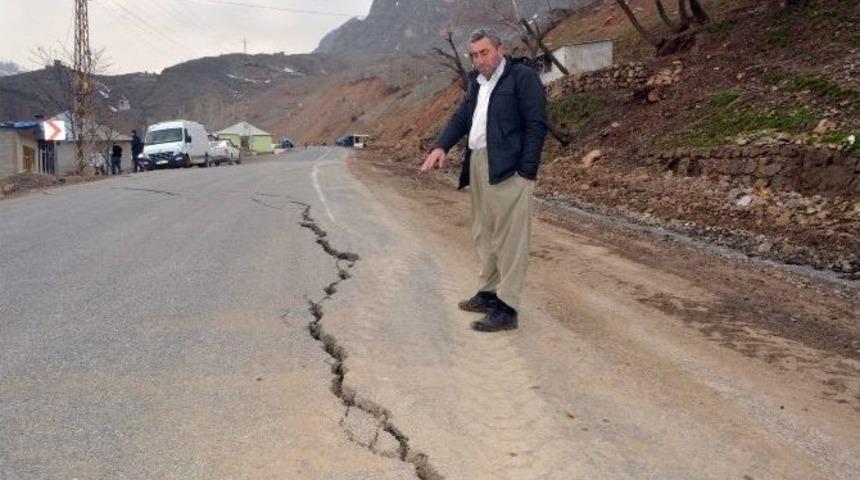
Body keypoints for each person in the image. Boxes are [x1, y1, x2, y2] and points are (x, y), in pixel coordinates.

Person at [420, 28, 548, 333]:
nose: (479, 60)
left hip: (509, 167)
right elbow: (461, 119)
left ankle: (508, 307)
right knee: (484, 232)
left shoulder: (522, 77)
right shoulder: (478, 84)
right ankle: (489, 292)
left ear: (499, 50)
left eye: (484, 52)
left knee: (510, 238)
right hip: (478, 162)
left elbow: (537, 124)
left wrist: (527, 172)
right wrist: (441, 147)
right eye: (474, 55)